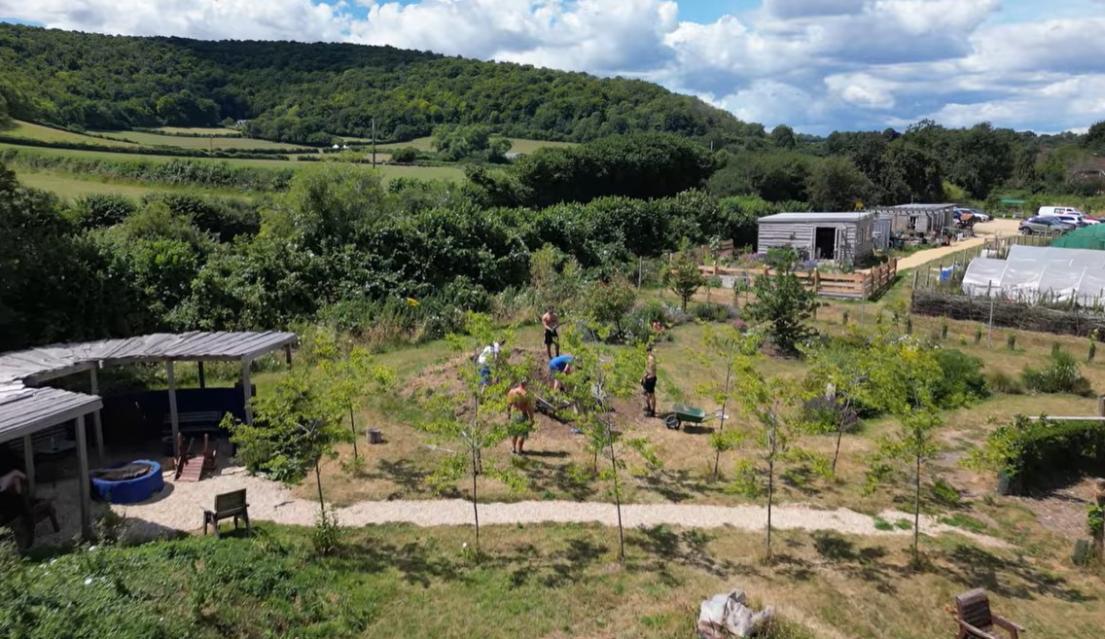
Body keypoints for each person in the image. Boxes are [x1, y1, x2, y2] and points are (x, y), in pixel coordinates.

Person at [506, 380, 535, 455]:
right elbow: (529, 408)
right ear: (526, 384)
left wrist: (509, 414)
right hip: (523, 414)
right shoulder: (526, 394)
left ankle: (513, 448)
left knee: (514, 432)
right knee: (523, 434)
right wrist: (532, 419)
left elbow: (509, 405)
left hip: (514, 414)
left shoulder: (512, 391)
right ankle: (520, 450)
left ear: (519, 383)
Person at [641, 344, 658, 417]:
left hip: (650, 378)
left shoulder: (651, 359)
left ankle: (652, 411)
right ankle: (649, 408)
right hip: (649, 378)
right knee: (648, 394)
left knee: (651, 394)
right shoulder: (650, 358)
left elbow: (650, 370)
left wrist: (645, 377)